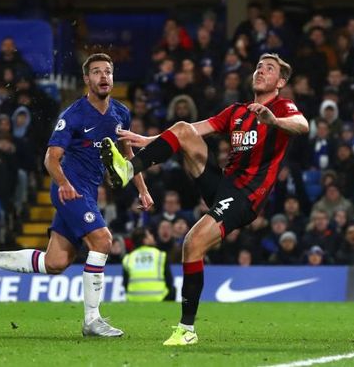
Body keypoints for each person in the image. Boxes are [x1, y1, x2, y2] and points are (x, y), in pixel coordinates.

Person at [100, 52, 308, 346]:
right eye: (259, 66)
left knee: (192, 243)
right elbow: (191, 131)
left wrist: (274, 120)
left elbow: (303, 126)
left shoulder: (283, 106)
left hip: (246, 196)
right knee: (183, 127)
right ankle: (127, 171)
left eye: (270, 68)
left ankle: (187, 329)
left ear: (281, 81)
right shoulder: (237, 111)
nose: (261, 71)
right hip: (223, 185)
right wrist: (149, 142)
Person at [0, 53, 153, 337]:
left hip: (87, 192)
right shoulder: (73, 115)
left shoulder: (121, 113)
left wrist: (143, 190)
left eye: (107, 72)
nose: (103, 77)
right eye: (96, 72)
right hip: (70, 190)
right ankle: (92, 320)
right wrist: (62, 182)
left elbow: (128, 156)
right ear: (86, 79)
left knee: (56, 263)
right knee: (103, 240)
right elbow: (51, 158)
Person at [122, 227, 174, 302]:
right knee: (173, 290)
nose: (152, 237)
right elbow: (169, 281)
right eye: (150, 235)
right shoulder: (160, 255)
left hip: (134, 298)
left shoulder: (128, 258)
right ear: (145, 240)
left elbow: (126, 283)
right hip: (159, 298)